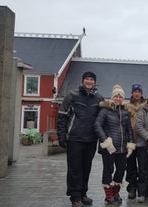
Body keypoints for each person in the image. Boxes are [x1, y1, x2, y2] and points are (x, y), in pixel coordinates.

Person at [57, 71, 104, 207]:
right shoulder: (72, 95)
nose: (89, 81)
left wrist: (102, 141)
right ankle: (75, 197)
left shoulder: (99, 99)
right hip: (75, 138)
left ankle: (83, 194)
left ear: (95, 82)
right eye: (87, 79)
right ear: (83, 80)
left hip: (91, 139)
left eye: (91, 79)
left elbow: (102, 121)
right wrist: (62, 135)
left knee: (86, 168)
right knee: (74, 169)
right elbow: (62, 116)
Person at [95, 84, 136, 205]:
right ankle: (108, 196)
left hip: (122, 148)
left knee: (121, 170)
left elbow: (129, 129)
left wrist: (130, 143)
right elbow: (97, 125)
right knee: (108, 170)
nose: (118, 98)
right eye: (116, 96)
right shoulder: (105, 110)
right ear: (112, 97)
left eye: (120, 96)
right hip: (109, 148)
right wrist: (106, 141)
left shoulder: (125, 112)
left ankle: (115, 192)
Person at [125, 83, 145, 199]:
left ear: (141, 93)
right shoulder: (126, 106)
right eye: (135, 91)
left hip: (143, 141)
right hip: (130, 141)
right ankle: (132, 187)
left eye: (139, 91)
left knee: (143, 166)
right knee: (130, 166)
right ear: (132, 93)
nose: (137, 93)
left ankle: (143, 188)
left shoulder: (146, 106)